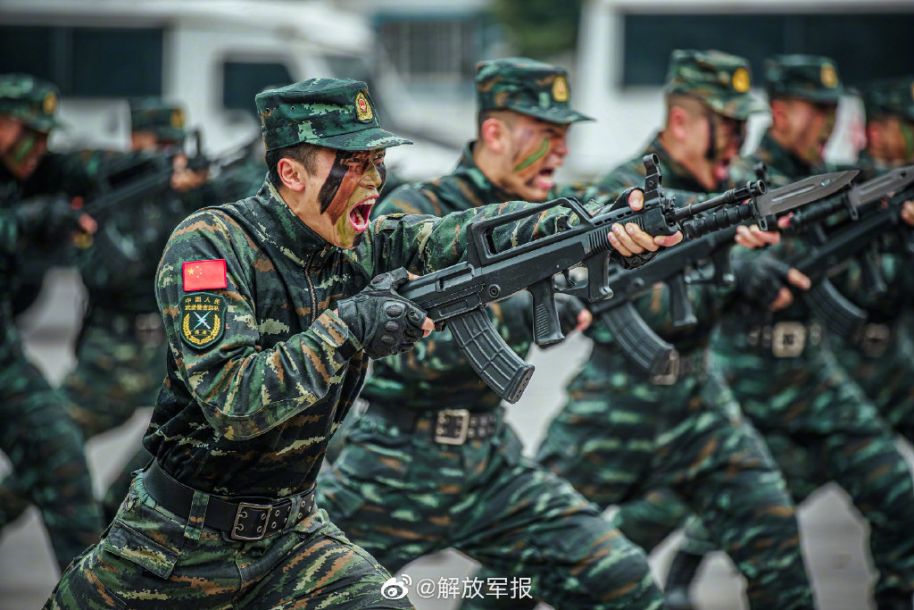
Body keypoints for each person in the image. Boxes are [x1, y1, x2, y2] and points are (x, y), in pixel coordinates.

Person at [45, 77, 681, 610]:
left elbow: (464, 235)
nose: (374, 181)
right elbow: (233, 402)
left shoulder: (359, 243)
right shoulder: (212, 244)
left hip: (290, 537)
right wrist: (349, 327)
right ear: (291, 171)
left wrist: (592, 222)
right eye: (354, 165)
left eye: (377, 163)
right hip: (171, 543)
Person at [471, 50, 817, 610]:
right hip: (615, 407)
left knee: (774, 535)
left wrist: (748, 268)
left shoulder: (731, 197)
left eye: (743, 128)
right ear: (681, 122)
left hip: (701, 403)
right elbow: (599, 294)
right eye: (726, 126)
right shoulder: (624, 193)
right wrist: (720, 260)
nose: (737, 141)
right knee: (521, 562)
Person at [319, 57, 669, 610]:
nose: (560, 150)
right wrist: (523, 313)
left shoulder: (548, 215)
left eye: (565, 137)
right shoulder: (417, 213)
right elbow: (391, 351)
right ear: (493, 132)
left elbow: (594, 232)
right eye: (545, 134)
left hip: (491, 463)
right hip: (391, 468)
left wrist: (631, 239)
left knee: (623, 578)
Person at [670, 55, 914, 610]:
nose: (826, 123)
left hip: (814, 374)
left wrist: (892, 236)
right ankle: (677, 573)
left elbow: (868, 292)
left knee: (896, 496)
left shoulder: (839, 184)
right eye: (815, 109)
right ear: (780, 112)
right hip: (745, 374)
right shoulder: (739, 180)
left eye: (832, 110)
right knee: (681, 499)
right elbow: (707, 255)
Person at [0, 73, 104, 570]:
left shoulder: (25, 176)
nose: (40, 147)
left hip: (4, 363)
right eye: (32, 133)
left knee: (57, 450)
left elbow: (90, 167)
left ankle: (92, 594)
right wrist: (35, 218)